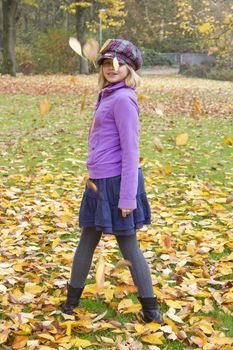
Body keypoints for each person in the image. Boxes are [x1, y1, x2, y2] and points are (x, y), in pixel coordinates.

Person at [62, 39, 163, 324]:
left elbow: (132, 152)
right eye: (106, 63)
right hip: (97, 181)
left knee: (128, 244)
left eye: (117, 63)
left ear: (129, 68)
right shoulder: (107, 95)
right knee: (86, 240)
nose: (111, 68)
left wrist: (128, 197)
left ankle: (152, 311)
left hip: (118, 184)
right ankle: (71, 303)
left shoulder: (123, 99)